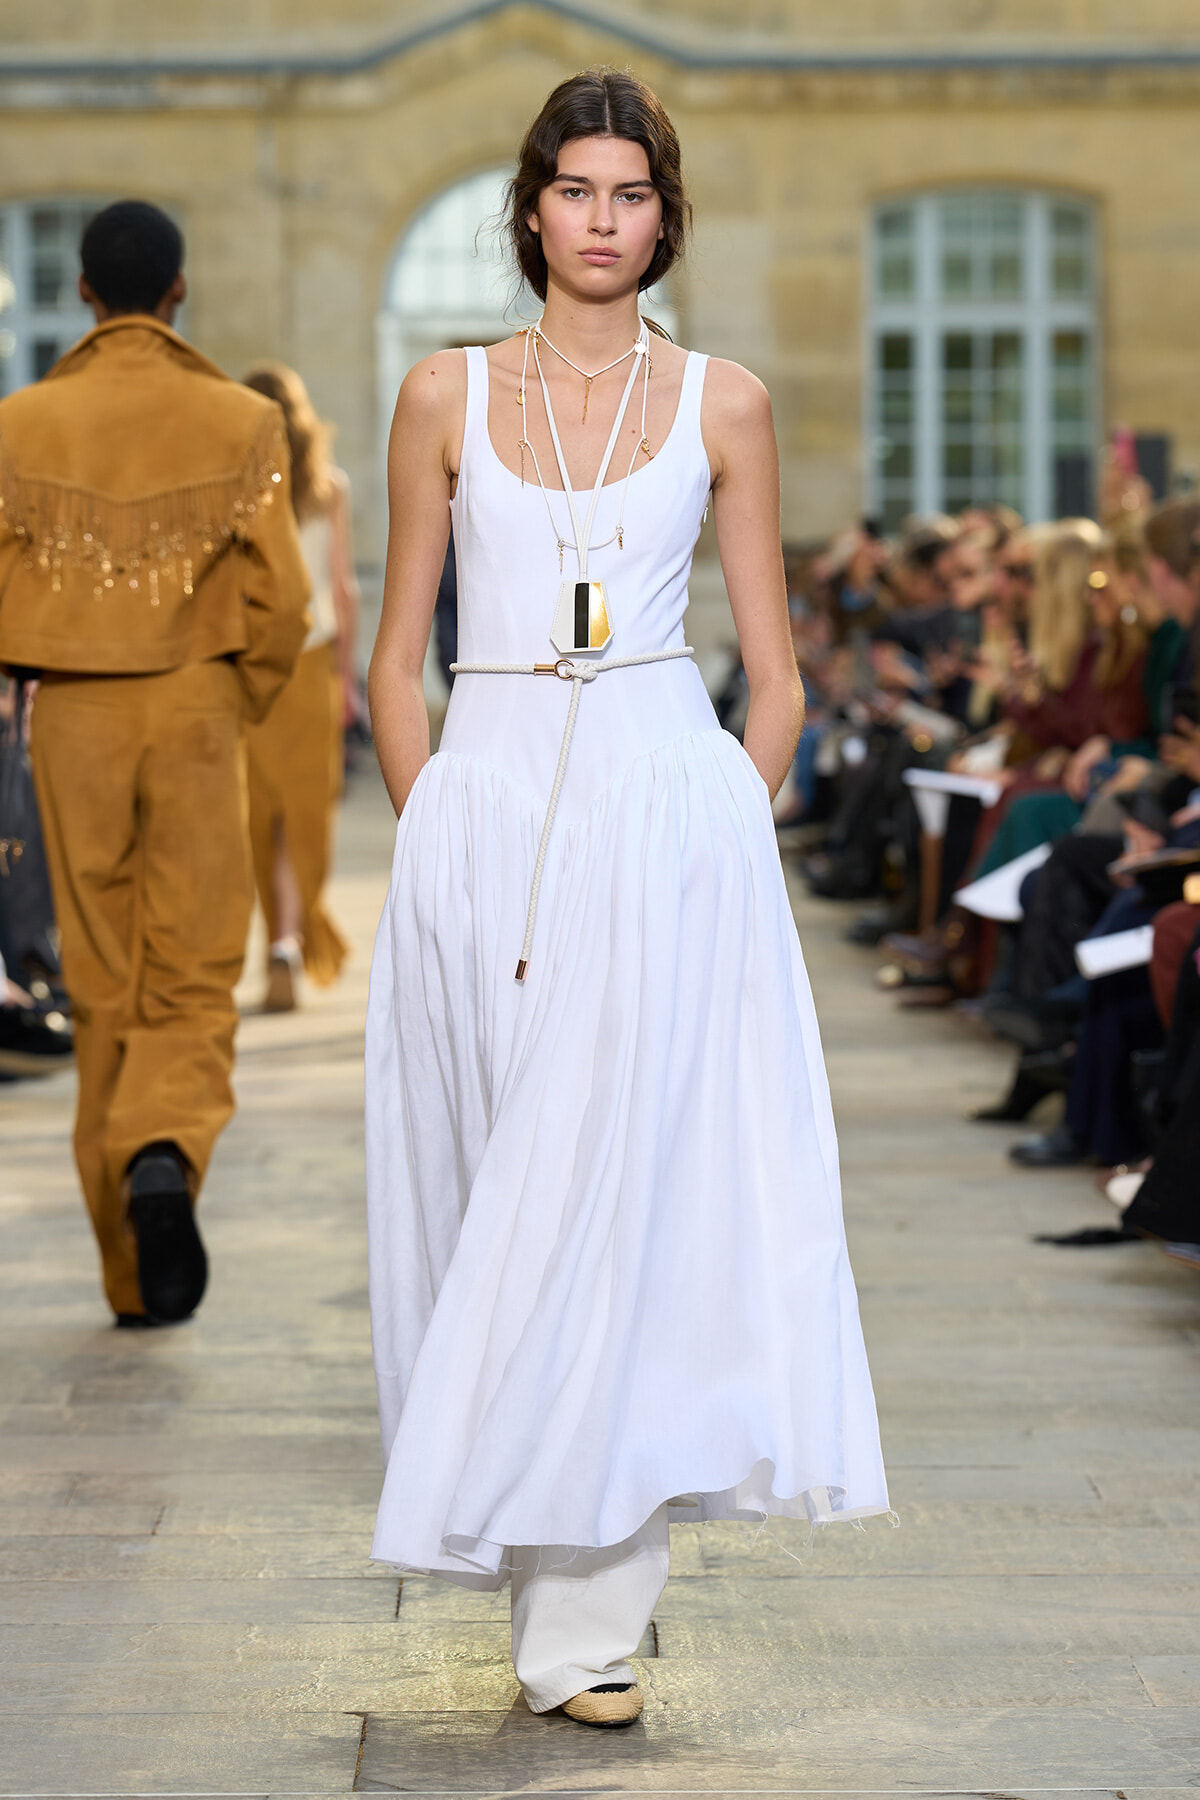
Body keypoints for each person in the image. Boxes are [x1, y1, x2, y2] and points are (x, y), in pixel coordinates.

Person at [364, 69, 888, 1729]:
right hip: (491, 813)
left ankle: (585, 1628)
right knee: (497, 1200)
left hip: (667, 813)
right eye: (576, 189)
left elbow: (779, 671)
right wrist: (431, 815)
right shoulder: (440, 396)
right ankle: (541, 1565)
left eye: (631, 192)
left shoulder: (724, 401)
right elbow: (393, 652)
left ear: (666, 215)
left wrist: (730, 822)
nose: (603, 219)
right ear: (532, 208)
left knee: (622, 1210)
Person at [0, 201, 309, 1326]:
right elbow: (282, 603)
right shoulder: (240, 421)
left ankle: (131, 1278)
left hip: (71, 710)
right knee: (191, 972)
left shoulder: (20, 423)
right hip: (193, 709)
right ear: (179, 292)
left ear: (84, 291)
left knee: (101, 982)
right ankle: (162, 1146)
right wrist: (234, 698)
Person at [242, 364, 358, 1012]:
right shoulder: (327, 487)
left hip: (256, 668)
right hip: (313, 665)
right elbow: (343, 587)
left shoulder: (236, 491)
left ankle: (279, 940)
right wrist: (349, 680)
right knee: (305, 814)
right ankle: (290, 934)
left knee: (262, 813)